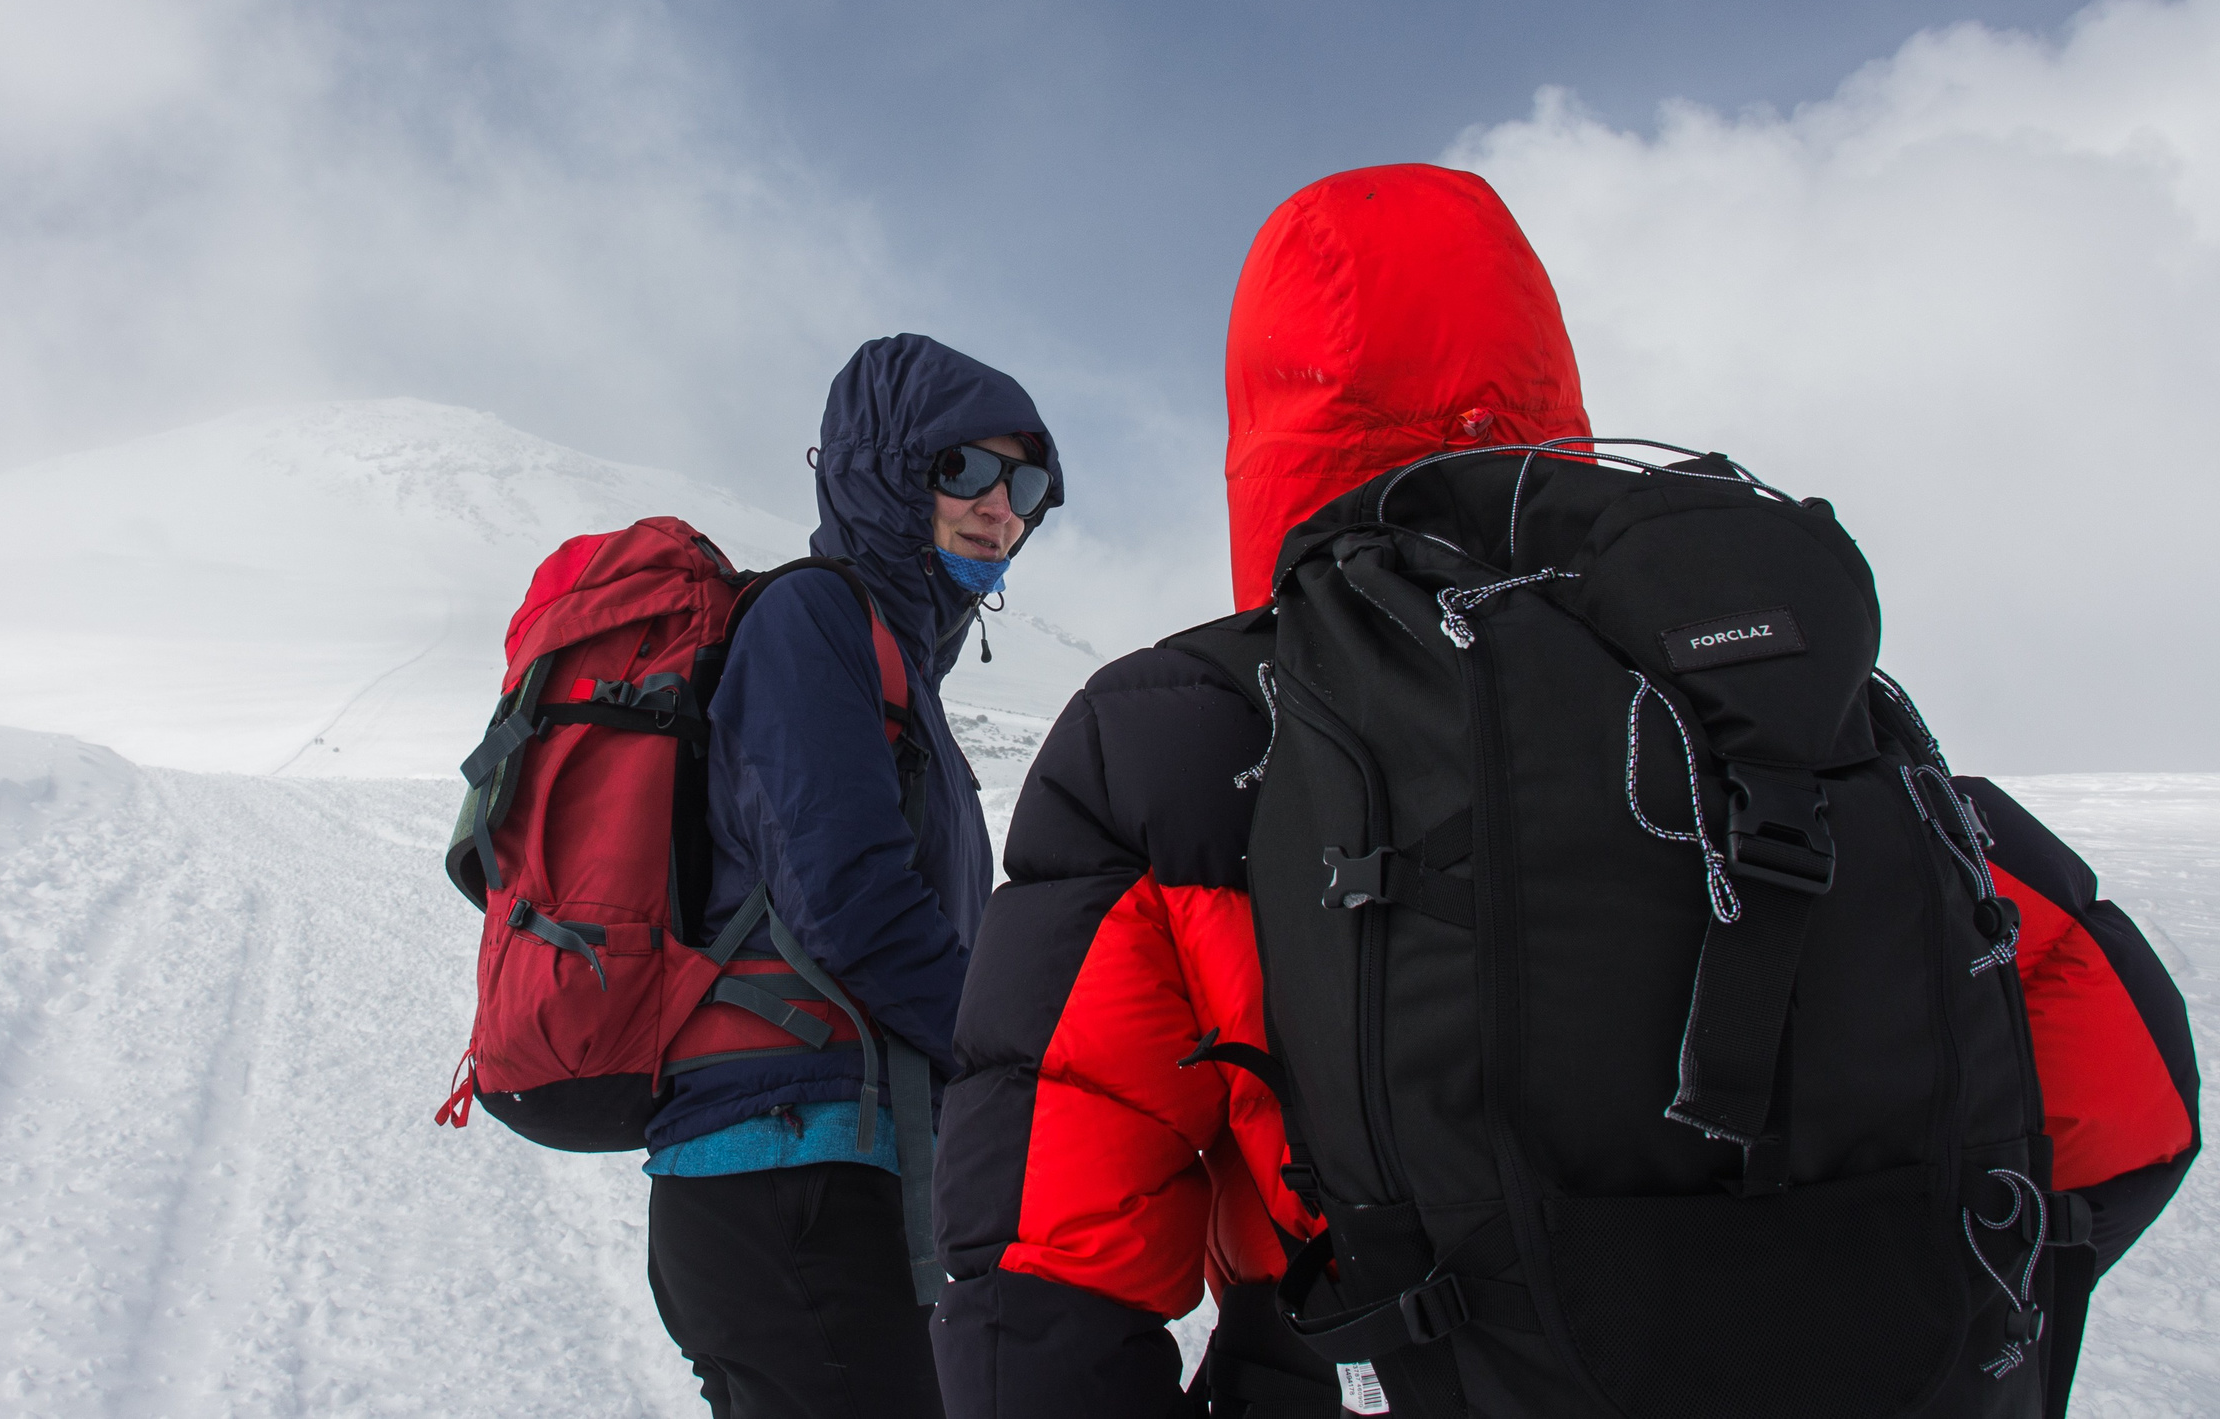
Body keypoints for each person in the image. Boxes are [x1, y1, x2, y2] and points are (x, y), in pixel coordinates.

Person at [930, 164, 2198, 1417]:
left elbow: (1044, 1241)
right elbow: (2127, 1090)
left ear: (1259, 417)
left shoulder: (1175, 730)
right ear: (1547, 374)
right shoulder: (1745, 658)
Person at [648, 333, 1062, 1419]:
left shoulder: (893, 657)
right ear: (882, 468)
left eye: (1025, 483)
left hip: (836, 1167)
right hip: (788, 1176)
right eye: (963, 469)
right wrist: (1021, 1063)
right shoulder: (813, 621)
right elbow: (851, 901)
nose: (1000, 507)